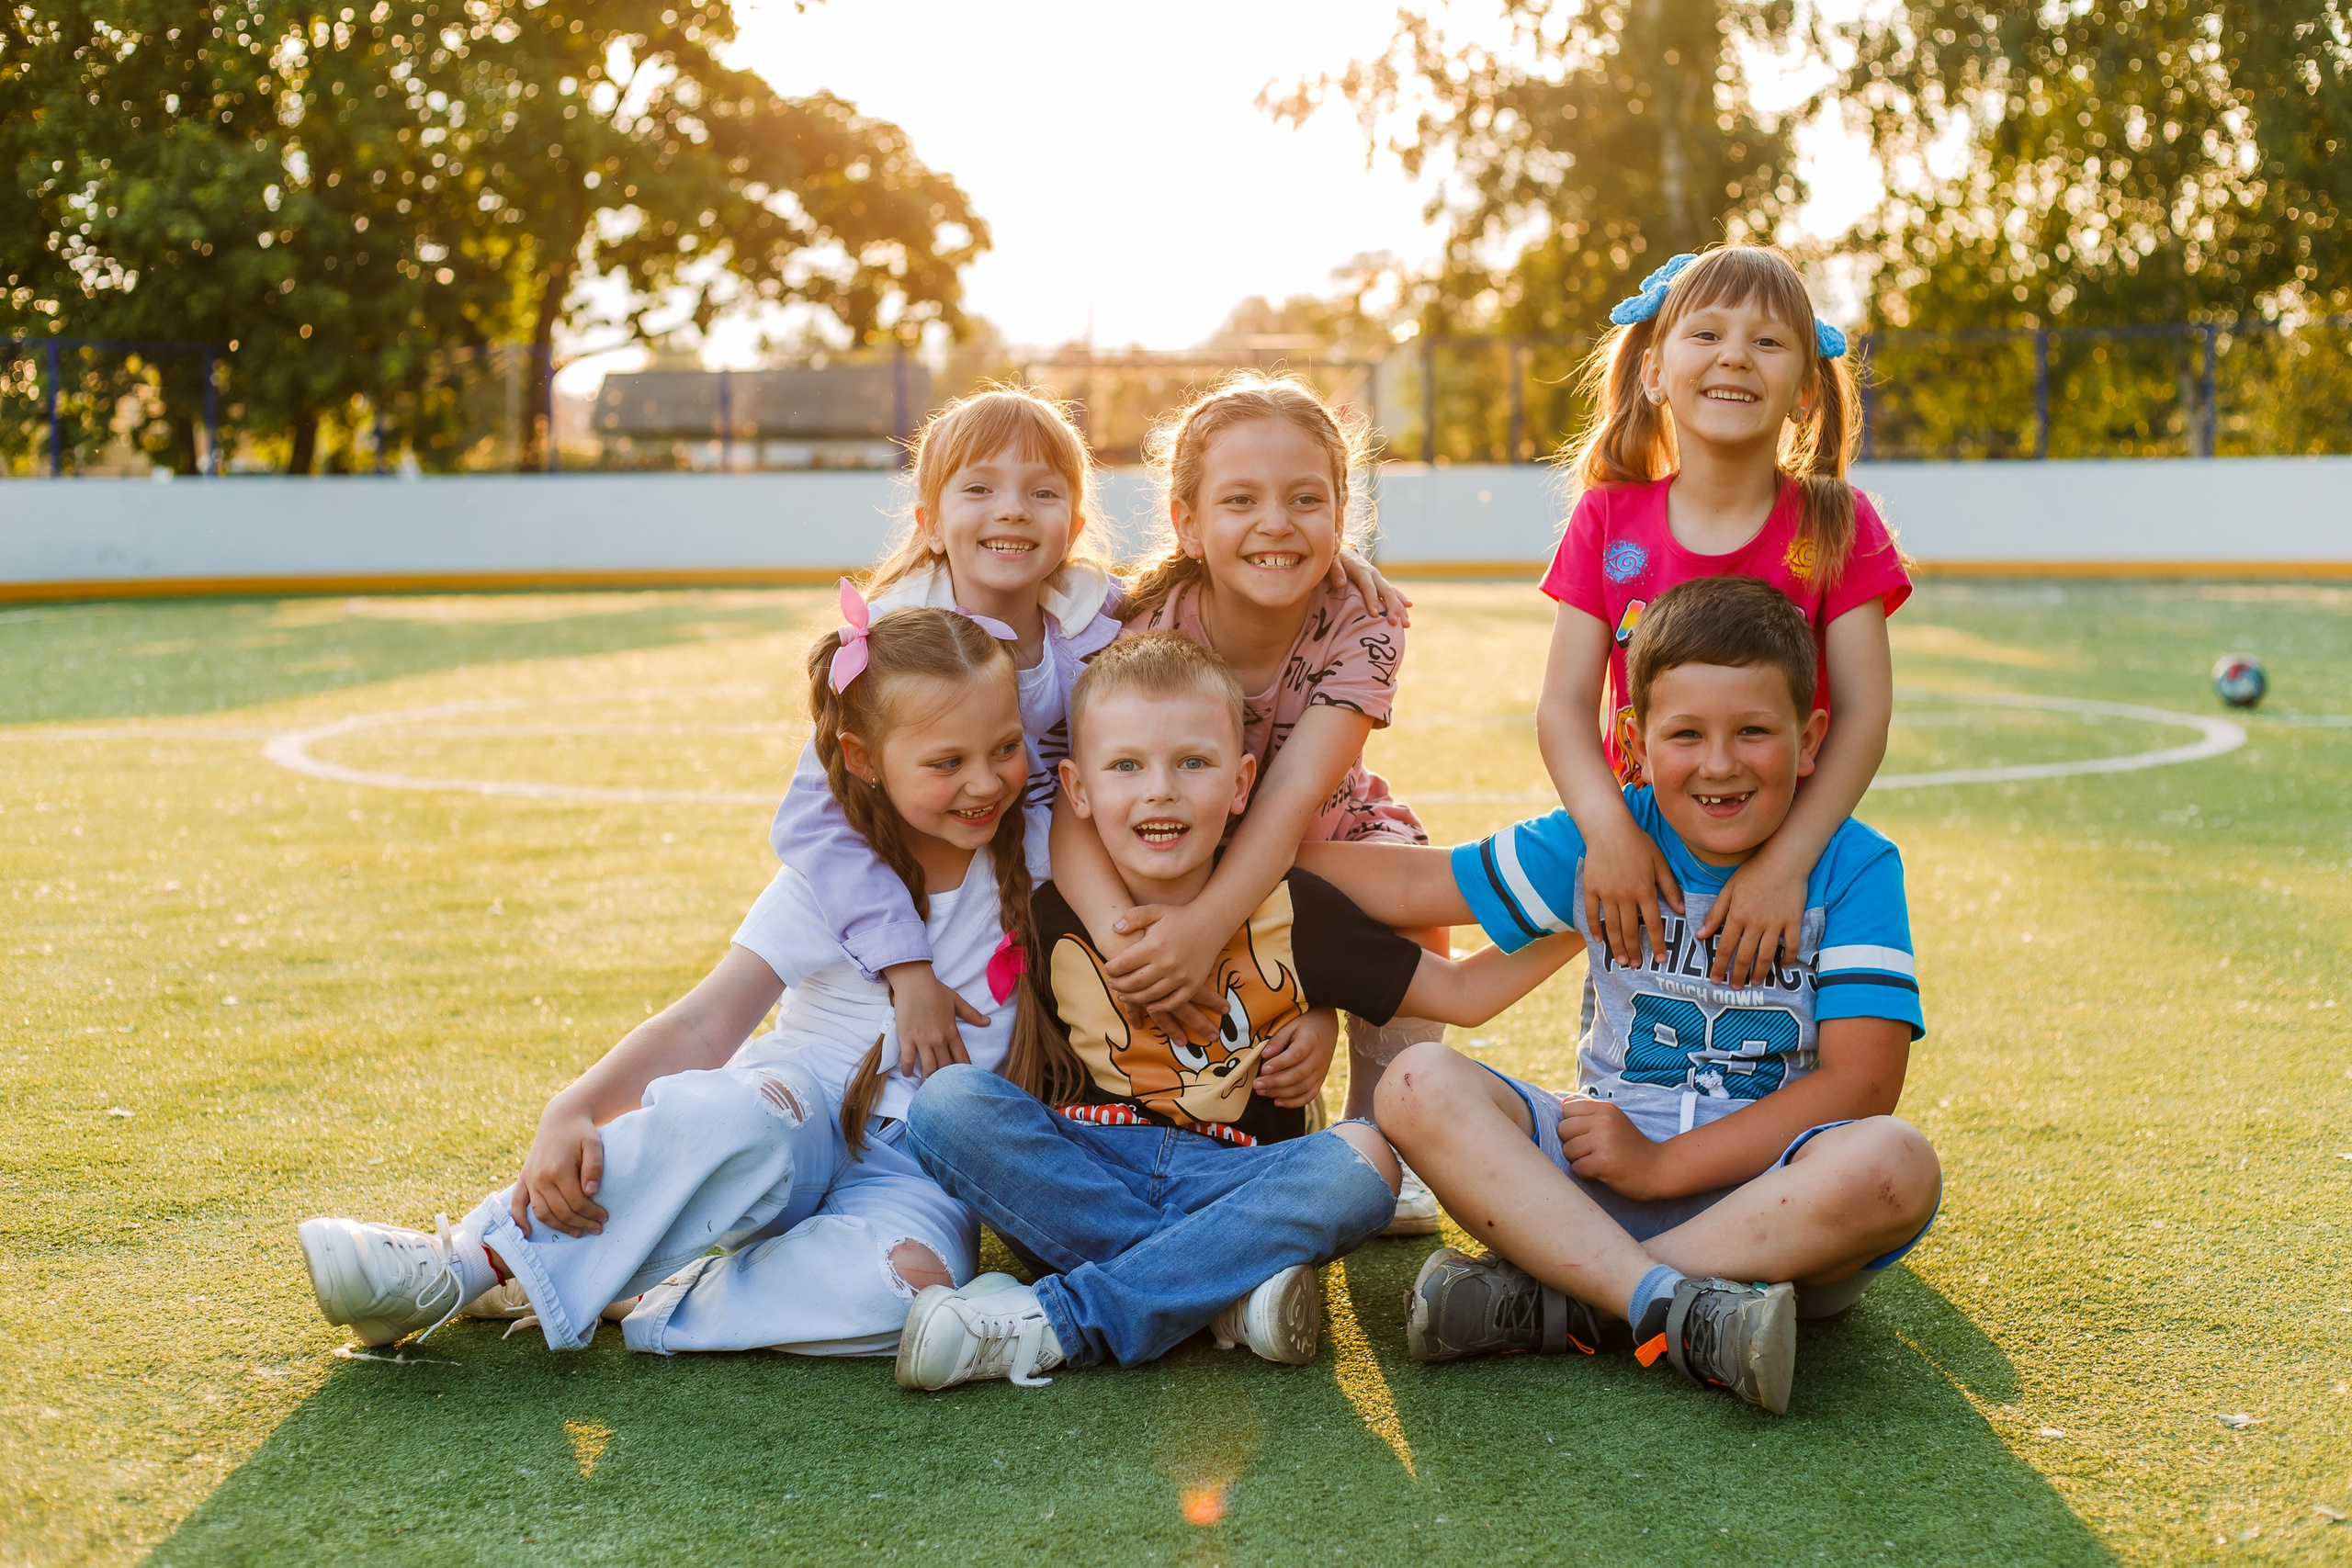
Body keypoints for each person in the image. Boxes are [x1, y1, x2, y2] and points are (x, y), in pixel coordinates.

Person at [295, 603, 1070, 1356]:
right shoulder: (831, 880)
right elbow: (704, 1026)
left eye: (1004, 748)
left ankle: (653, 1292)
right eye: (947, 762)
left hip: (920, 1170)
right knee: (741, 1118)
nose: (985, 783)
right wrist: (575, 1105)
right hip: (798, 1118)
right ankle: (469, 1259)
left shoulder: (1039, 850)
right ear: (864, 760)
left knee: (908, 1288)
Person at [1297, 578, 1939, 1416]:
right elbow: (1425, 883)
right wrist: (1236, 853)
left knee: (1898, 1162)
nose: (1719, 762)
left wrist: (1666, 1163)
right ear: (1634, 741)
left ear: (1810, 737)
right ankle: (1674, 1306)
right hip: (1595, 1181)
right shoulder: (1609, 838)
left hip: (1774, 1215)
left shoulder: (1853, 865)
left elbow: (1861, 1085)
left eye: (1753, 730)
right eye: (1687, 734)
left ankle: (1575, 1300)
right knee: (1416, 1082)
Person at [890, 633, 1580, 1392]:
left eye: (1193, 762)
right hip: (1085, 1172)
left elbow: (1462, 991)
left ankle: (1065, 1317)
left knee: (1365, 1162)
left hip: (1239, 1178)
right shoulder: (1052, 907)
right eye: (1126, 766)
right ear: (1078, 791)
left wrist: (1589, 912)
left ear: (1243, 780)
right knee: (947, 1104)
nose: (1161, 790)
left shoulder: (1296, 909)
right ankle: (1218, 1288)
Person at [770, 384, 1410, 1097]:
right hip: (1071, 858)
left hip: (1256, 838)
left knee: (1401, 885)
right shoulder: (901, 651)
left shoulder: (1098, 617)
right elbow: (820, 821)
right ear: (930, 520)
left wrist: (1333, 560)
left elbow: (1287, 795)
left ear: (1073, 525)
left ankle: (1375, 1125)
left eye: (1040, 492)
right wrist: (905, 961)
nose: (1011, 508)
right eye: (980, 487)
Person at [1051, 372, 1451, 1235]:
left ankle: (1383, 1138)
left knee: (1418, 894)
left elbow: (1293, 798)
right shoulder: (1144, 626)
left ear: (1343, 518)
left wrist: (1294, 980)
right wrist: (1139, 941)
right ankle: (1196, 1115)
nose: (1275, 522)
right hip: (1180, 845)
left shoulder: (1366, 622)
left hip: (1317, 835)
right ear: (1187, 522)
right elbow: (1070, 812)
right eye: (1241, 499)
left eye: (1306, 499)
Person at [1539, 243, 1912, 994]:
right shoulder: (1608, 519)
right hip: (1648, 867)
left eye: (1767, 341)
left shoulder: (1839, 523)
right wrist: (1611, 835)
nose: (1735, 357)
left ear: (1806, 390)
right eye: (1707, 334)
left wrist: (1786, 863)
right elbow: (1565, 707)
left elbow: (1866, 714)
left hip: (1792, 863)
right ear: (1654, 371)